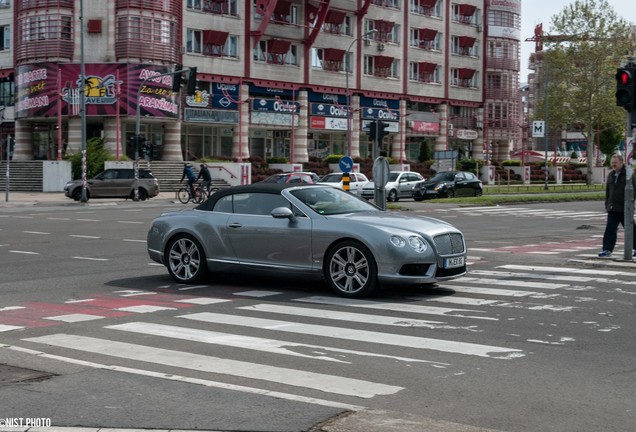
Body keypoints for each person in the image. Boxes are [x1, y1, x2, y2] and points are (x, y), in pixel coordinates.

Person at [598, 153, 636, 257]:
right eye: (612, 163)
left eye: (615, 162)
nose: (613, 164)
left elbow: (634, 190)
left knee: (631, 229)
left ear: (621, 162)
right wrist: (607, 204)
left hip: (625, 208)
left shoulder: (628, 174)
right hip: (613, 208)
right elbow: (608, 192)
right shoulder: (611, 175)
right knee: (610, 229)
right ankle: (607, 249)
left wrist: (631, 205)